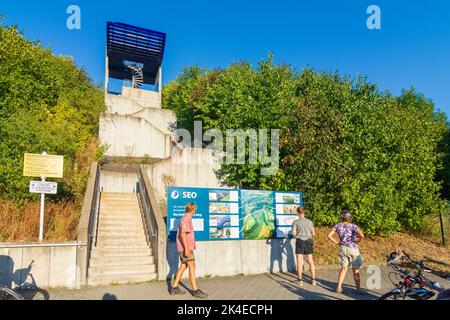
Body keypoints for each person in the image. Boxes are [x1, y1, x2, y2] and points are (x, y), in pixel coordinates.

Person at [170, 203, 208, 298]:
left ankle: (174, 288)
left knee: (183, 266)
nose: (195, 211)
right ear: (193, 209)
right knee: (192, 266)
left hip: (185, 247)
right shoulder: (186, 218)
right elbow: (183, 234)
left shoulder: (186, 218)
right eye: (195, 209)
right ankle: (195, 291)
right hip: (185, 248)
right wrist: (186, 249)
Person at [327, 210, 365, 294]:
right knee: (355, 269)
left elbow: (329, 235)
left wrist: (337, 242)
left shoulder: (337, 226)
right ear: (349, 218)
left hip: (342, 248)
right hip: (353, 248)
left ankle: (339, 287)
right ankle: (358, 290)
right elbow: (362, 236)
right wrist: (357, 242)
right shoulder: (353, 226)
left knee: (344, 268)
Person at [291, 206, 316, 286]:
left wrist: (297, 232)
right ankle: (313, 280)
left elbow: (294, 234)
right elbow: (313, 233)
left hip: (300, 241)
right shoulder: (310, 222)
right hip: (308, 241)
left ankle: (300, 280)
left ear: (298, 213)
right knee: (310, 261)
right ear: (304, 212)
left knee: (299, 261)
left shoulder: (296, 222)